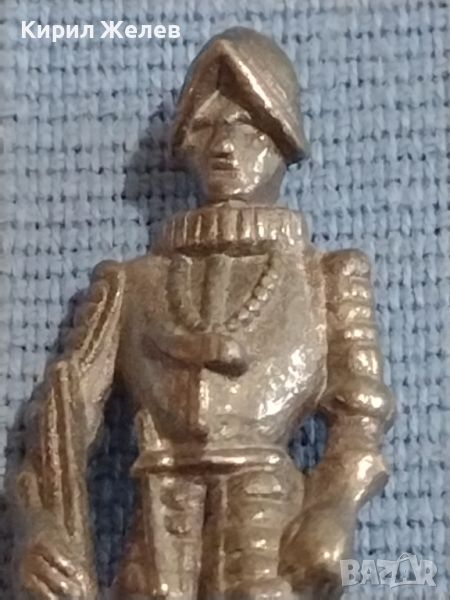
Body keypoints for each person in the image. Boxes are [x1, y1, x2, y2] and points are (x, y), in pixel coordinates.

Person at [13, 28, 394, 600]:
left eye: (247, 128)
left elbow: (361, 416)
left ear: (283, 137)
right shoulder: (129, 285)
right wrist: (37, 527)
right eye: (207, 126)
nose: (224, 146)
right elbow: (62, 420)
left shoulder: (327, 278)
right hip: (154, 535)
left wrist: (333, 508)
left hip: (269, 528)